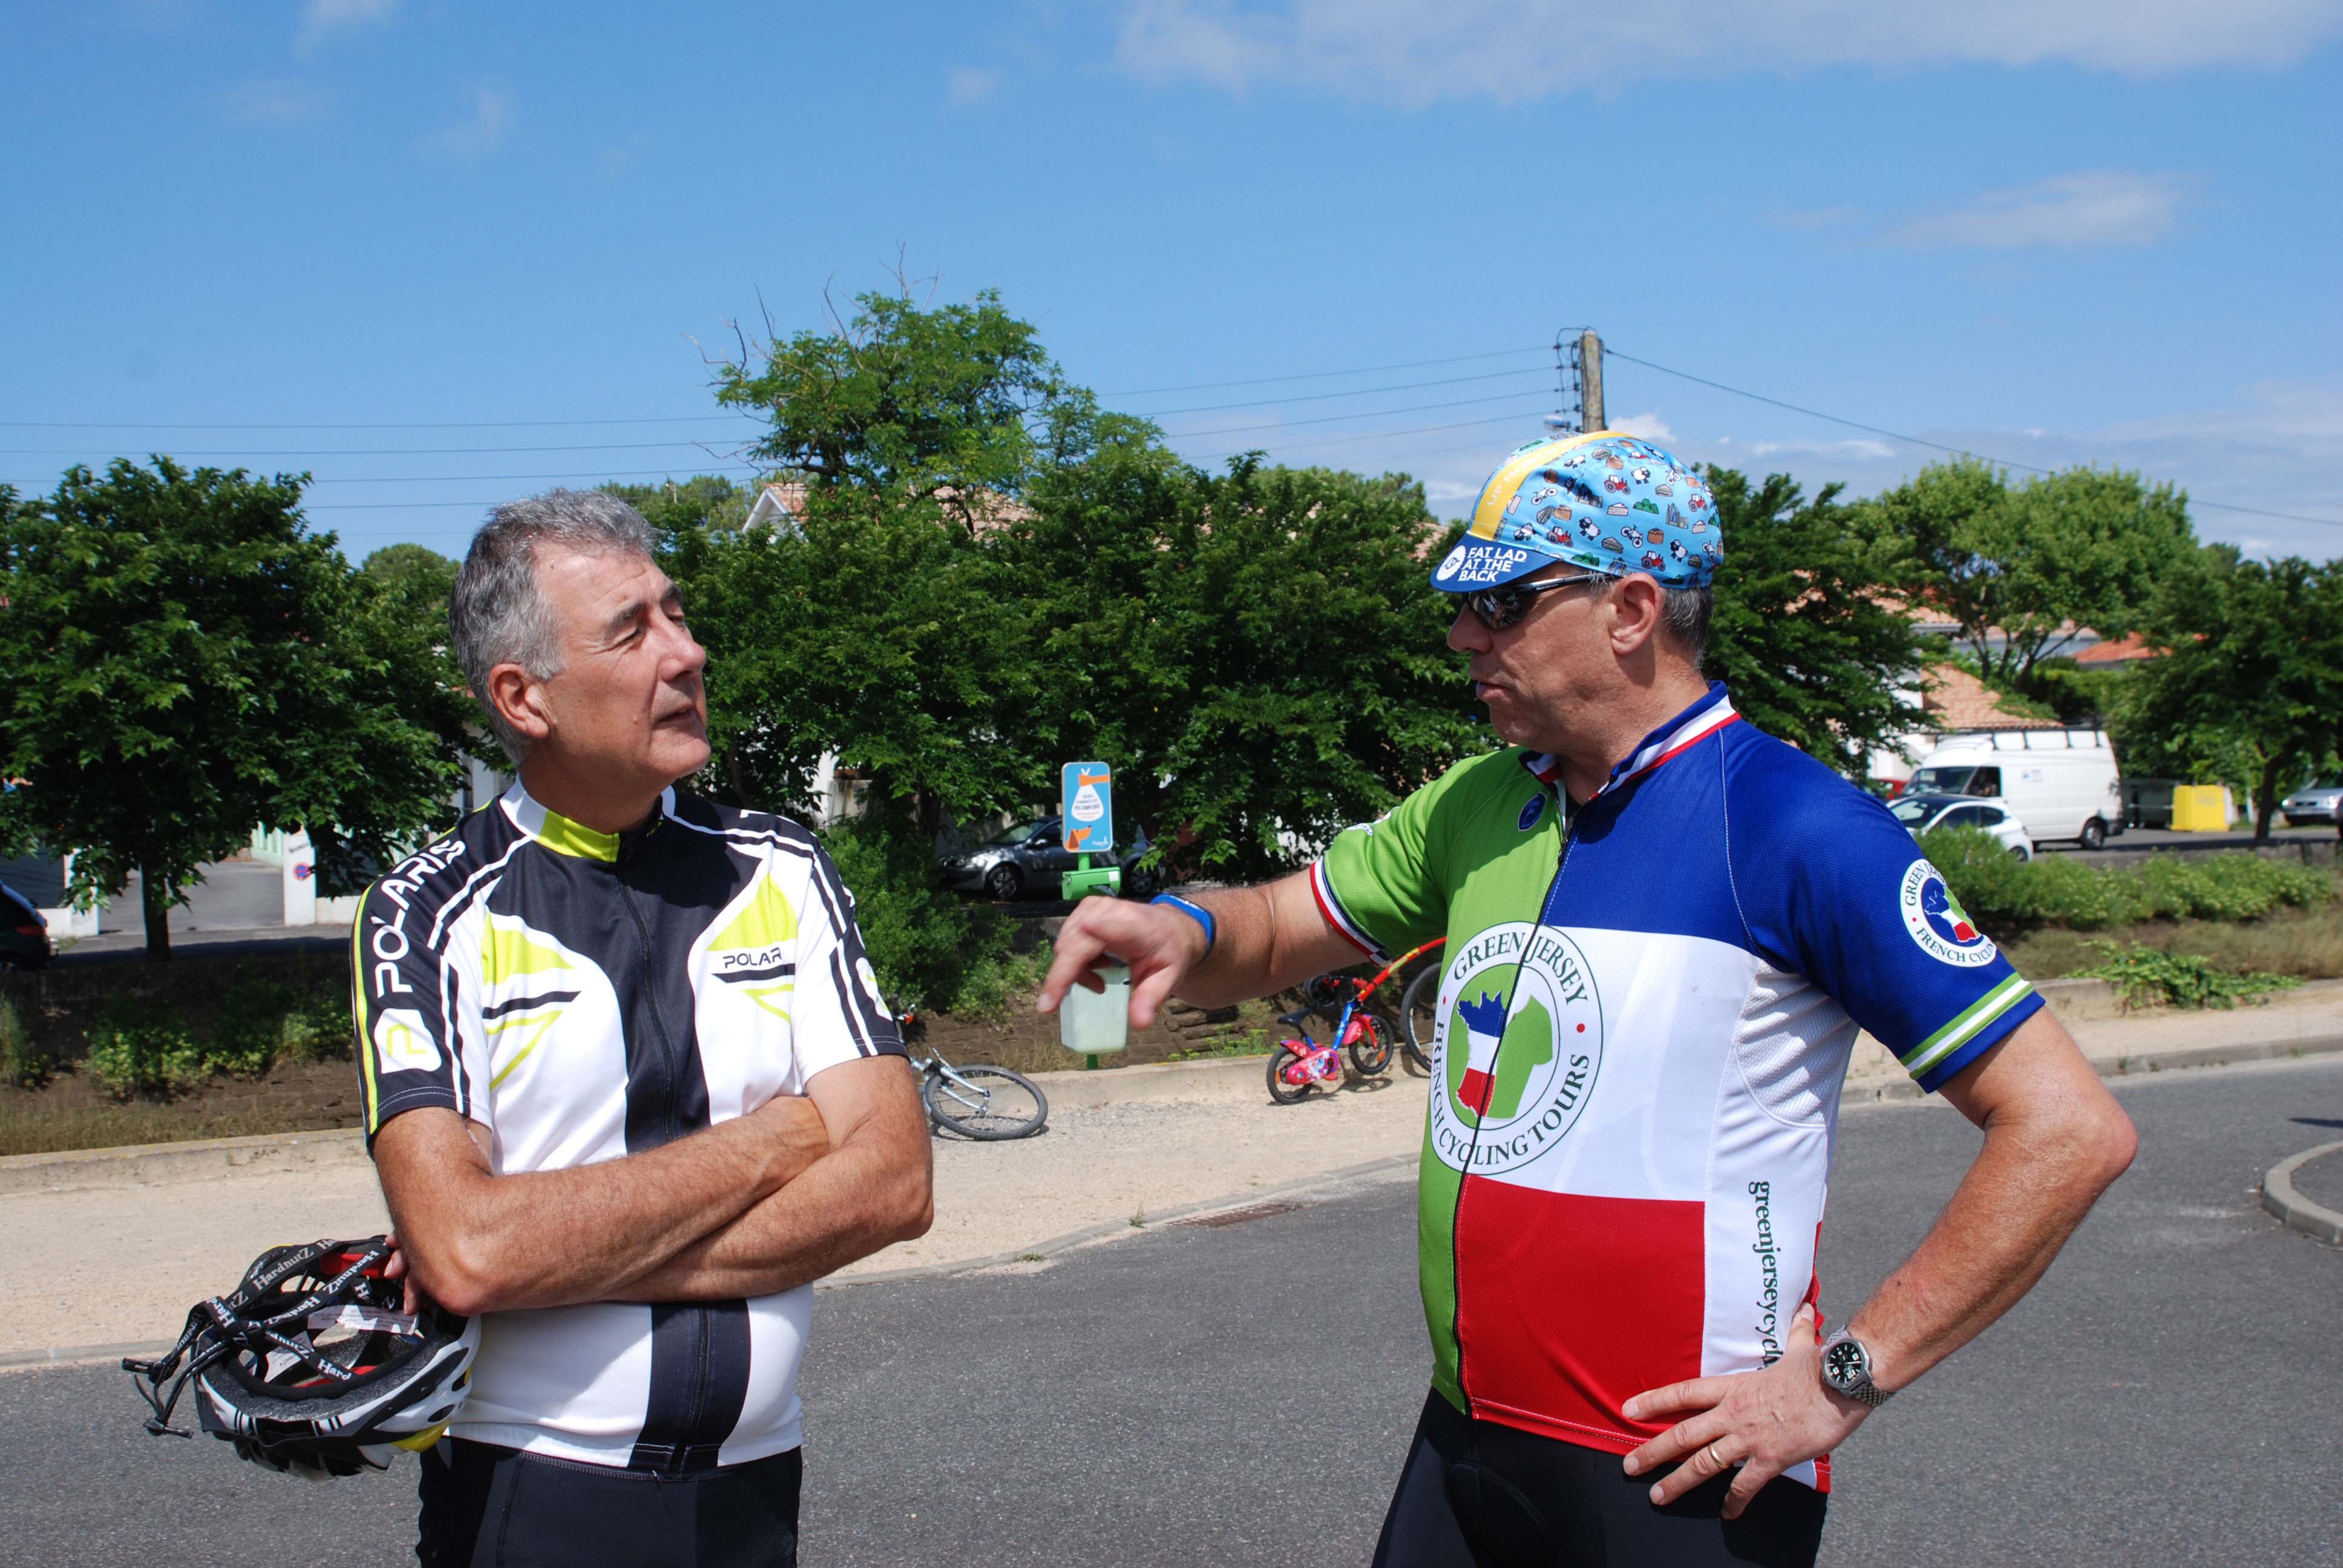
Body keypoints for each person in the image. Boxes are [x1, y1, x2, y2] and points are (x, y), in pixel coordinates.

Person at [1041, 433, 2137, 1567]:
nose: (1465, 636)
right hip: (1465, 1439)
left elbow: (2067, 1129)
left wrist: (1843, 1379)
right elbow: (1279, 927)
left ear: (1632, 610)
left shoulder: (1793, 825)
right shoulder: (1481, 801)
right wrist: (1188, 927)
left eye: (1504, 604)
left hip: (1684, 1472)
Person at [355, 490, 932, 1568]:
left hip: (757, 1496)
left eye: (676, 612)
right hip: (535, 1498)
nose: (689, 649)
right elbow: (469, 1251)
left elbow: (896, 1187)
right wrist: (784, 1137)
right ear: (524, 698)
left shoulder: (785, 866)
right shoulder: (425, 909)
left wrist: (553, 1248)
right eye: (633, 630)